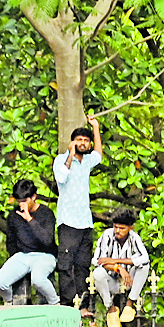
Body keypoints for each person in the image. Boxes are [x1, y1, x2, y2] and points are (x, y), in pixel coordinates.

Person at [53, 117, 101, 309]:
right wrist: (70, 156)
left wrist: (95, 127)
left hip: (85, 223)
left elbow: (98, 154)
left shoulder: (88, 161)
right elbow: (61, 178)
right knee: (66, 265)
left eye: (85, 140)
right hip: (68, 222)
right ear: (72, 142)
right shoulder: (61, 160)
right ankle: (67, 304)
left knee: (82, 265)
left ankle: (83, 305)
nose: (82, 143)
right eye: (78, 140)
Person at [0, 179, 59, 305]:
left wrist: (30, 219)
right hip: (23, 256)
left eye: (24, 201)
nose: (21, 205)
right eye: (19, 202)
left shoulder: (46, 213)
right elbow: (11, 242)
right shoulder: (13, 215)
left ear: (33, 197)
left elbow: (47, 240)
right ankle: (9, 302)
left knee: (38, 279)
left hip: (45, 255)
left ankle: (54, 302)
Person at [92, 207, 151, 327]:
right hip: (111, 281)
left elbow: (144, 258)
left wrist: (114, 261)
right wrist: (118, 268)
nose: (118, 231)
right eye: (116, 227)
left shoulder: (134, 238)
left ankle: (130, 304)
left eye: (122, 228)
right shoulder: (107, 236)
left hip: (129, 281)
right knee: (97, 273)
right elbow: (98, 261)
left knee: (144, 267)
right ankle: (111, 309)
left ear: (131, 227)